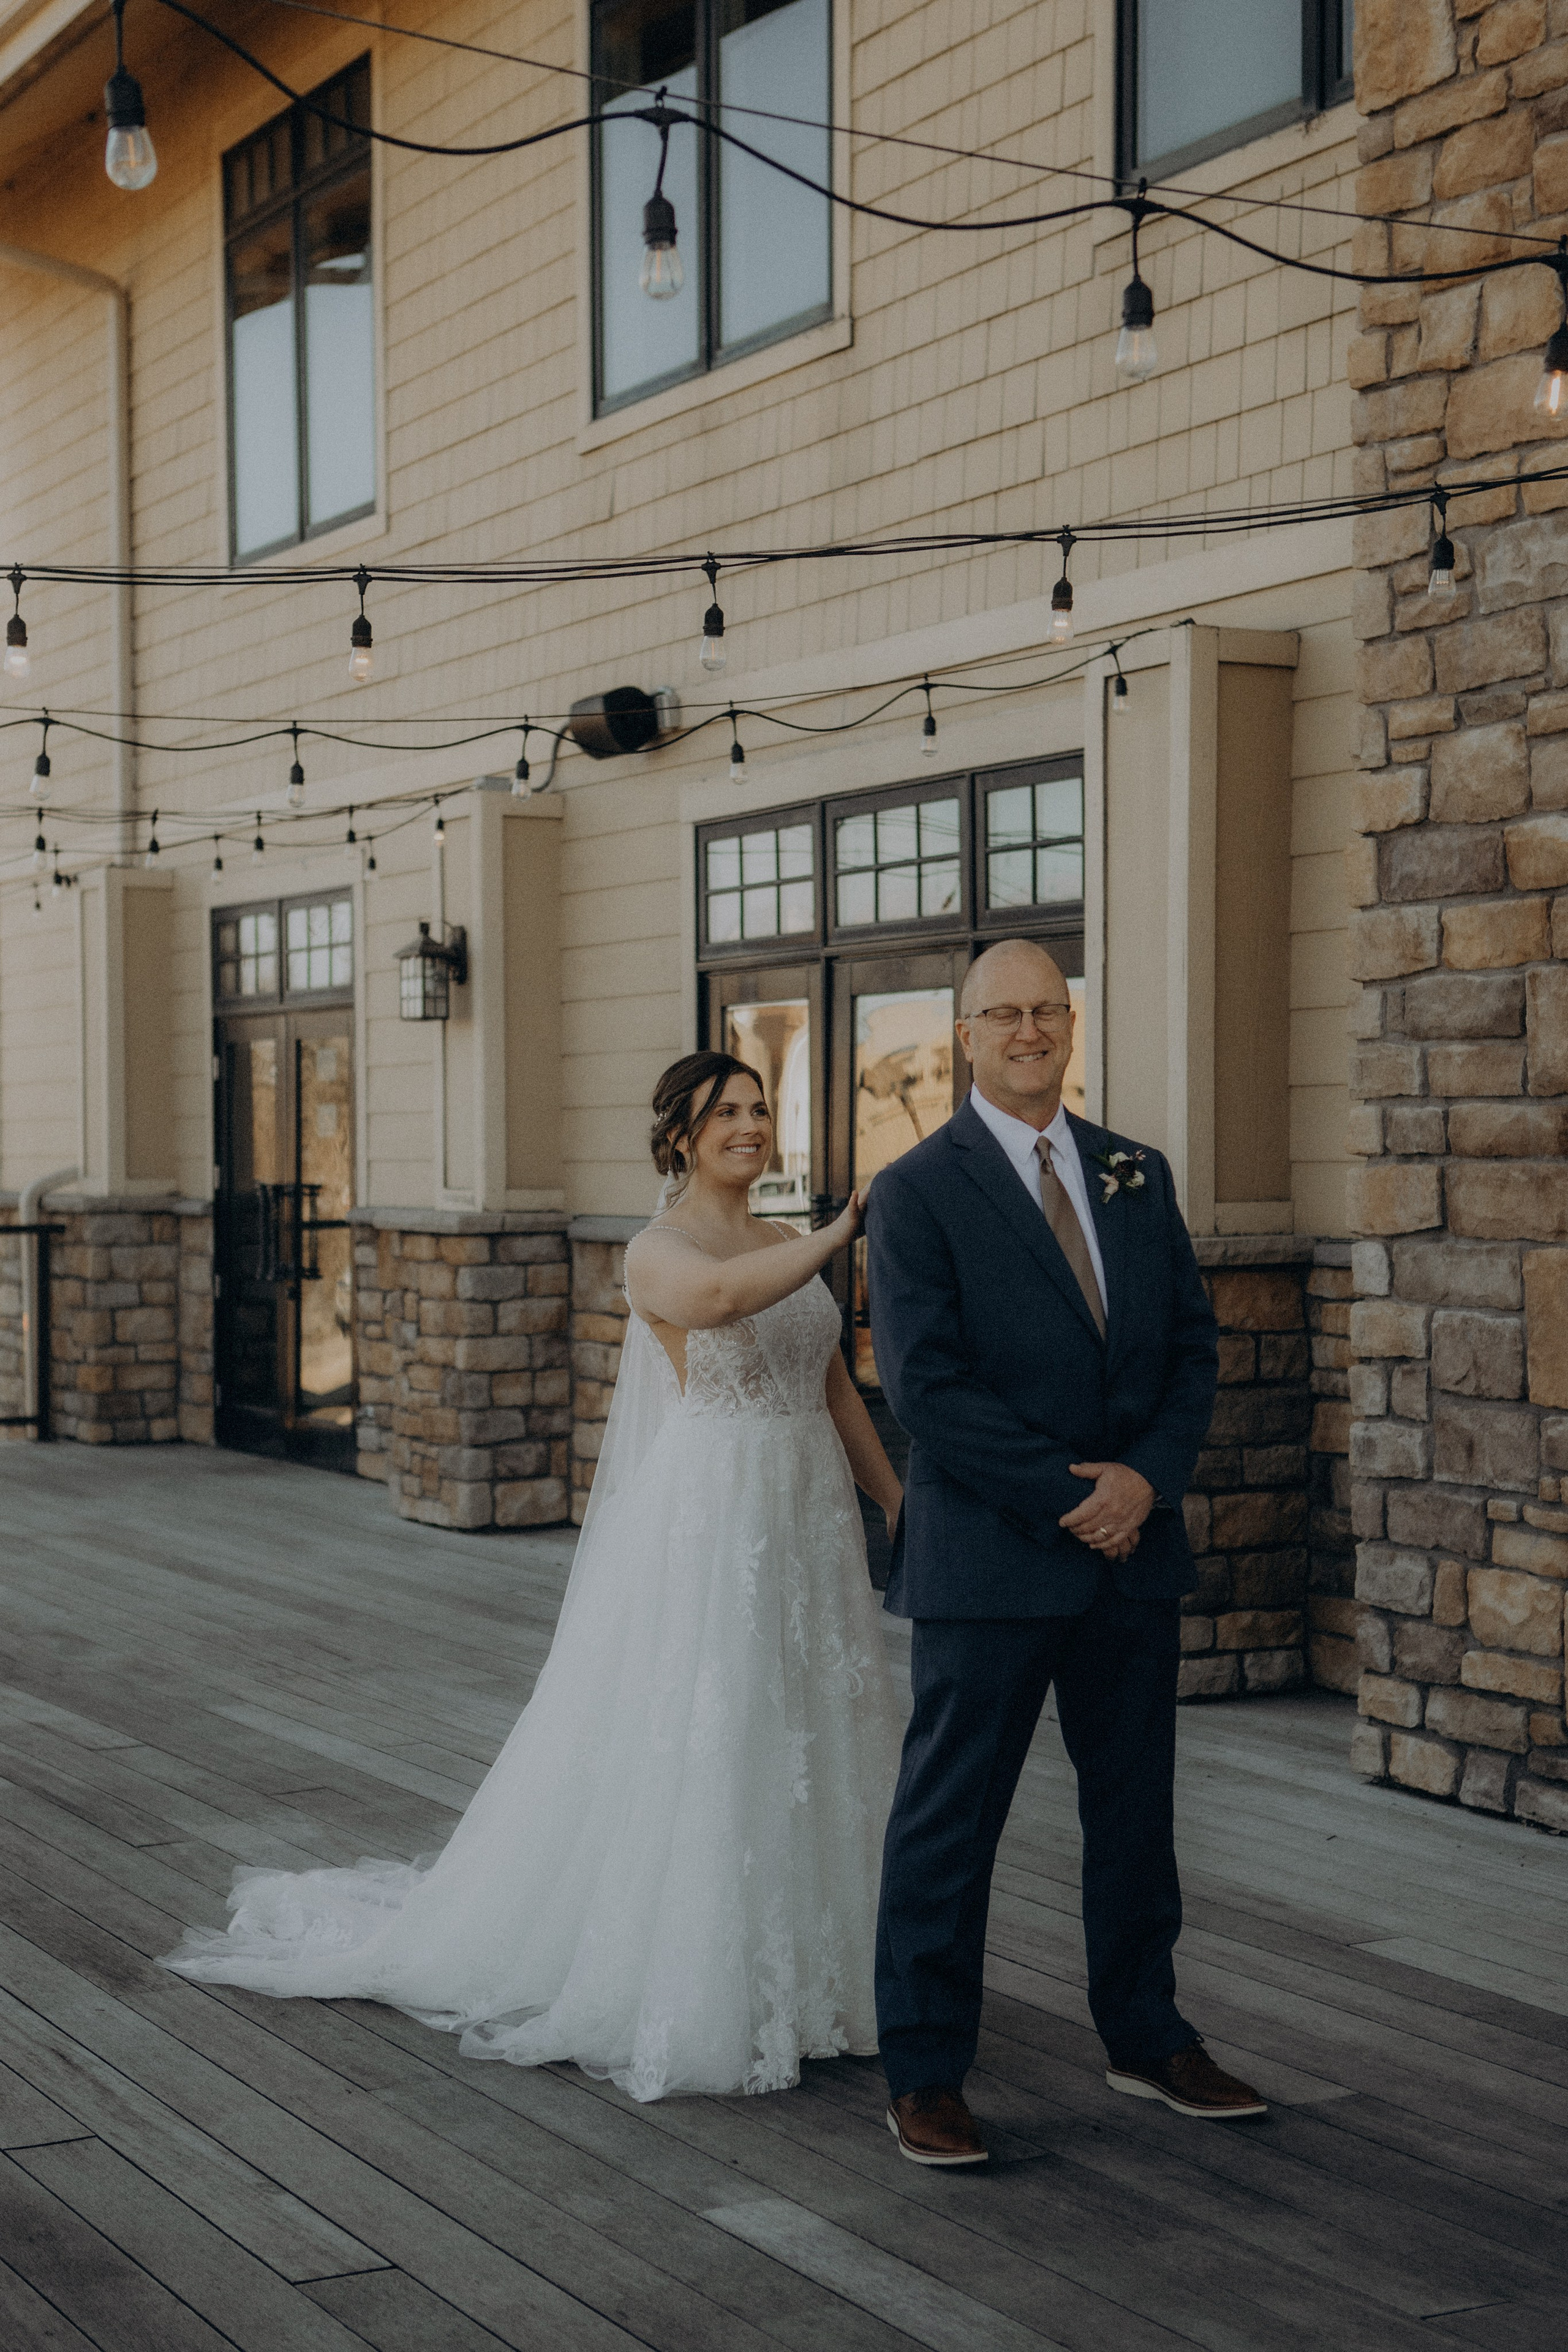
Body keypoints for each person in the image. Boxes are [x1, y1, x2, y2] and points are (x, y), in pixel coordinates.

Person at [164, 1051, 906, 2103]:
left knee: (810, 1723)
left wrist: (892, 1500)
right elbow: (718, 1300)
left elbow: (832, 1387)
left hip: (806, 1517)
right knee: (722, 1722)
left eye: (756, 1108)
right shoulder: (658, 1252)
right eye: (725, 1113)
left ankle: (827, 1971)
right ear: (681, 1140)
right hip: (719, 1516)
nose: (749, 1124)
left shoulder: (786, 1240)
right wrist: (844, 1233)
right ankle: (710, 1976)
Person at [867, 937, 1265, 2167]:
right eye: (1004, 1014)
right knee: (950, 1820)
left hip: (1129, 1553)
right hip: (990, 1558)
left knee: (1134, 1815)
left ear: (1068, 1027)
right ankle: (926, 2068)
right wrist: (1066, 1497)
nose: (1029, 1031)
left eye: (1048, 1010)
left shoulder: (1133, 1172)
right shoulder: (915, 1191)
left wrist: (1144, 1479)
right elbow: (925, 1388)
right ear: (963, 1038)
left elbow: (1192, 1351)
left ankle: (1145, 2033)